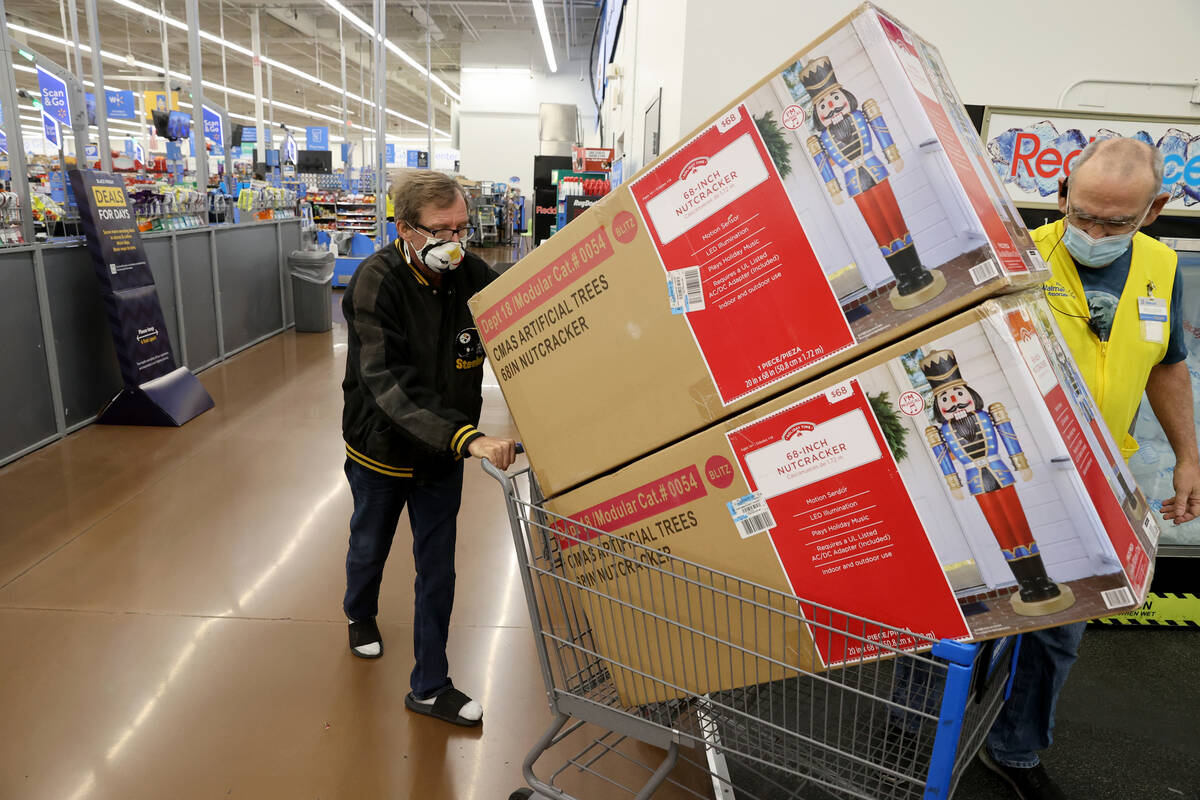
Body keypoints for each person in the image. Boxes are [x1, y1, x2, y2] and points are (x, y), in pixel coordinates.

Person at [978, 137, 1200, 799]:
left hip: (1101, 486)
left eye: (1116, 223)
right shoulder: (1014, 257)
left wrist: (1189, 456)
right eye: (1083, 216)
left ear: (1154, 210)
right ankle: (918, 727)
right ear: (1061, 197)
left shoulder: (1163, 267)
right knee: (964, 621)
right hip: (1004, 475)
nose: (1095, 233)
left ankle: (1014, 752)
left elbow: (1166, 363)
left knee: (1056, 635)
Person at [340, 170, 517, 728]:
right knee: (370, 545)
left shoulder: (468, 274)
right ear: (405, 228)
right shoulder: (375, 281)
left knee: (437, 569)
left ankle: (430, 685)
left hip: (442, 455)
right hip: (383, 449)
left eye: (461, 229)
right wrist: (470, 438)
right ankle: (359, 613)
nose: (454, 244)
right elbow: (386, 384)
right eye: (441, 231)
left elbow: (520, 311)